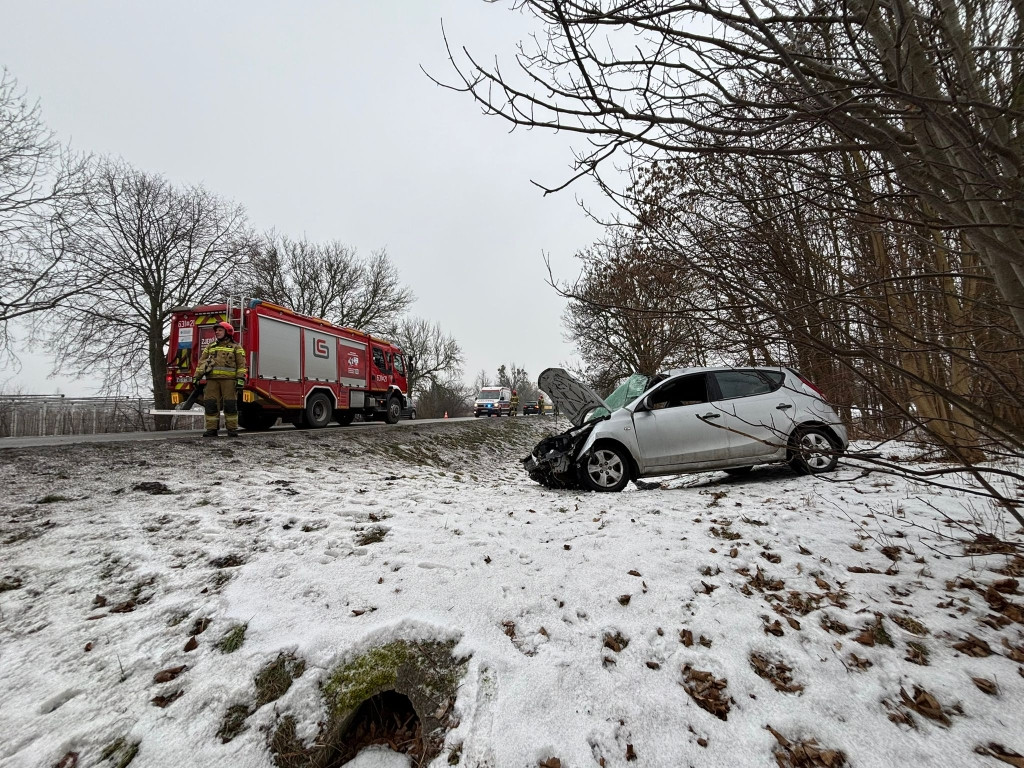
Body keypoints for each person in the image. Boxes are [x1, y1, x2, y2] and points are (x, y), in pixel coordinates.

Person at [194, 321, 247, 437]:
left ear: (228, 332)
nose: (217, 332)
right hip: (212, 380)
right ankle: (211, 429)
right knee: (210, 404)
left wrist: (240, 379)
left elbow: (241, 365)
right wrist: (196, 377)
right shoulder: (210, 347)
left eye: (220, 330)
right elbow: (202, 362)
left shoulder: (236, 347)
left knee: (230, 404)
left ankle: (232, 429)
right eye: (216, 330)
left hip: (229, 381)